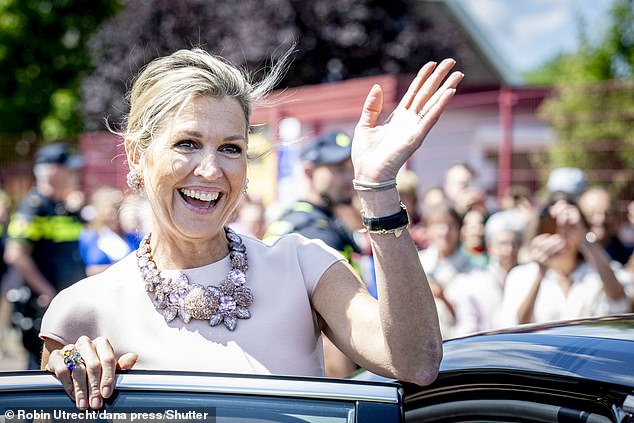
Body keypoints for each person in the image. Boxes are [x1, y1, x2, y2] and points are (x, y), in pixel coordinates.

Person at [39, 48, 463, 411]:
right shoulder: (82, 310)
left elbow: (414, 361)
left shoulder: (302, 266)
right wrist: (71, 373)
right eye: (187, 143)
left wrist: (377, 188)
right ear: (136, 154)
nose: (210, 170)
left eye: (231, 148)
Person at [4, 142, 86, 369]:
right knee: (42, 372)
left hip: (66, 307)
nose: (74, 174)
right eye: (68, 168)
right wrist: (47, 291)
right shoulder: (34, 207)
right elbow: (16, 254)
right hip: (43, 309)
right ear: (51, 170)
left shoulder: (63, 206)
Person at [501, 193, 632, 326]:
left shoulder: (600, 272)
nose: (561, 236)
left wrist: (586, 239)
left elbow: (620, 302)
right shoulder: (521, 276)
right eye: (553, 225)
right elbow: (517, 324)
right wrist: (540, 273)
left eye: (570, 227)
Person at [79, 186, 144, 276]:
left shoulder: (134, 238)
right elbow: (90, 270)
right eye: (110, 209)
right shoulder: (89, 236)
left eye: (117, 207)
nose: (115, 213)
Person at [578, 187, 632, 266]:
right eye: (593, 213)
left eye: (607, 213)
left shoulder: (626, 254)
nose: (601, 219)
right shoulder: (572, 255)